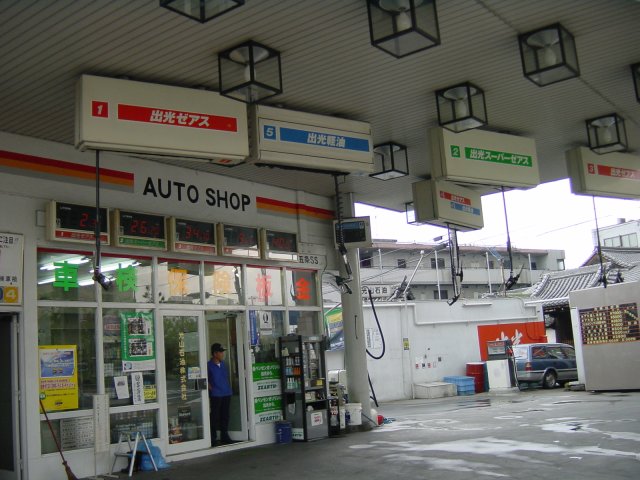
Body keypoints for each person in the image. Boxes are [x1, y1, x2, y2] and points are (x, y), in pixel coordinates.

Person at [207, 342, 233, 446]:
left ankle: (224, 435)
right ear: (215, 354)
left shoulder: (223, 364)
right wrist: (210, 387)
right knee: (214, 416)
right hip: (216, 394)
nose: (222, 354)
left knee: (225, 415)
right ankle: (212, 437)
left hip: (226, 392)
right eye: (220, 352)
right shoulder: (209, 365)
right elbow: (205, 379)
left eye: (222, 352)